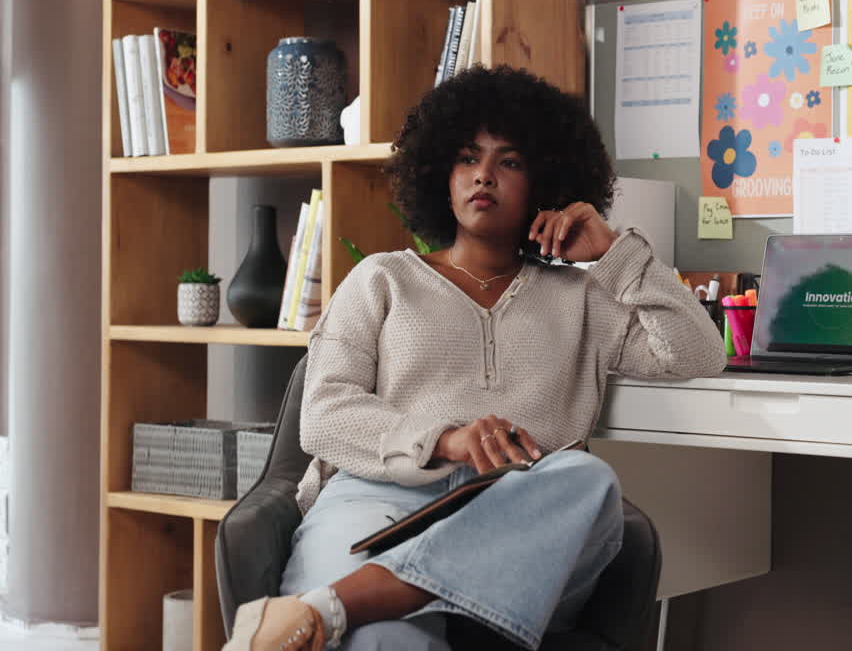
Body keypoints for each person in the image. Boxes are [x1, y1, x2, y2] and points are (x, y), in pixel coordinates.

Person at [222, 65, 726, 651]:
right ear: (441, 173)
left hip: (516, 515)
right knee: (387, 642)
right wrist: (446, 440)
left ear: (545, 182)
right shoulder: (380, 279)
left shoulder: (581, 299)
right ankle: (386, 603)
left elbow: (697, 353)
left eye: (509, 161)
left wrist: (614, 253)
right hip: (378, 500)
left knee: (586, 479)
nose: (484, 174)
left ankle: (339, 604)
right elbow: (325, 417)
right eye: (468, 157)